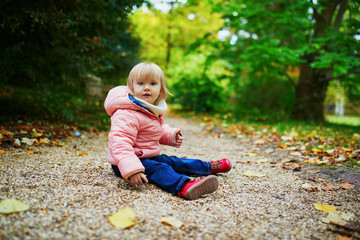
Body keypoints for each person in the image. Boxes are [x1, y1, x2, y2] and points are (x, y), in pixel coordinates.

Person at [104, 62, 231, 200]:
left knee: (175, 162)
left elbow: (154, 130)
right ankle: (183, 186)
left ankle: (208, 167)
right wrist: (132, 169)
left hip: (147, 156)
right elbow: (119, 142)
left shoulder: (150, 108)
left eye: (152, 83)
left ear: (160, 89)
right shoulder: (127, 113)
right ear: (132, 87)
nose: (146, 88)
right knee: (160, 169)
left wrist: (171, 135)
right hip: (126, 162)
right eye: (141, 83)